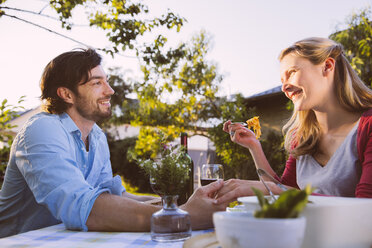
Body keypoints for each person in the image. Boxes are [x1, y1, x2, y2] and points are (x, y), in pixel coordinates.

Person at [0, 48, 228, 238]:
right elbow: (85, 208)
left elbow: (113, 196)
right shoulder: (41, 130)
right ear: (66, 94)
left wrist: (172, 206)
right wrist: (184, 217)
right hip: (20, 241)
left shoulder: (96, 136)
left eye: (106, 81)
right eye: (96, 83)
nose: (110, 90)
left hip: (65, 239)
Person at [217, 37, 372, 203]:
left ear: (327, 67)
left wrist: (279, 190)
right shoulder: (302, 137)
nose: (284, 88)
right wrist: (254, 146)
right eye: (282, 81)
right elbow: (284, 190)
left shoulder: (367, 127)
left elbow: (365, 207)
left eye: (291, 73)